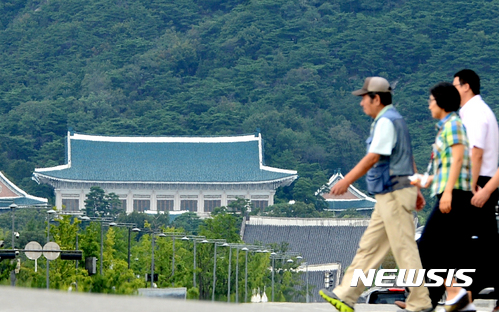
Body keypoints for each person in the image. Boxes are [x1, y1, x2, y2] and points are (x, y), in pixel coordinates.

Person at [319, 77, 432, 312]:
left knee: (404, 248)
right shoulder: (394, 120)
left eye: (364, 98)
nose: (362, 104)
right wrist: (417, 189)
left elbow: (373, 157)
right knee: (370, 246)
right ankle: (346, 295)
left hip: (394, 192)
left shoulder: (386, 122)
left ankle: (420, 301)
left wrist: (346, 181)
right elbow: (407, 157)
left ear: (376, 98)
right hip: (391, 193)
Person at [416, 82, 474, 312]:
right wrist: (429, 181)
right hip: (448, 191)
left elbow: (459, 160)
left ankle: (454, 294)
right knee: (444, 249)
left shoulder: (454, 125)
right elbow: (448, 164)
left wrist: (447, 192)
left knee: (427, 246)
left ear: (440, 102)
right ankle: (456, 297)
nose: (429, 106)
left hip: (454, 194)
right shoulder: (445, 127)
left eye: (431, 101)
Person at [454, 69, 499, 312]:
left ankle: (457, 296)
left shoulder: (475, 113)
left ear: (466, 86)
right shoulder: (477, 111)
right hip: (482, 181)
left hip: (479, 182)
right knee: (485, 245)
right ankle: (462, 297)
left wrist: (470, 187)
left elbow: (476, 152)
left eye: (455, 85)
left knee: (469, 243)